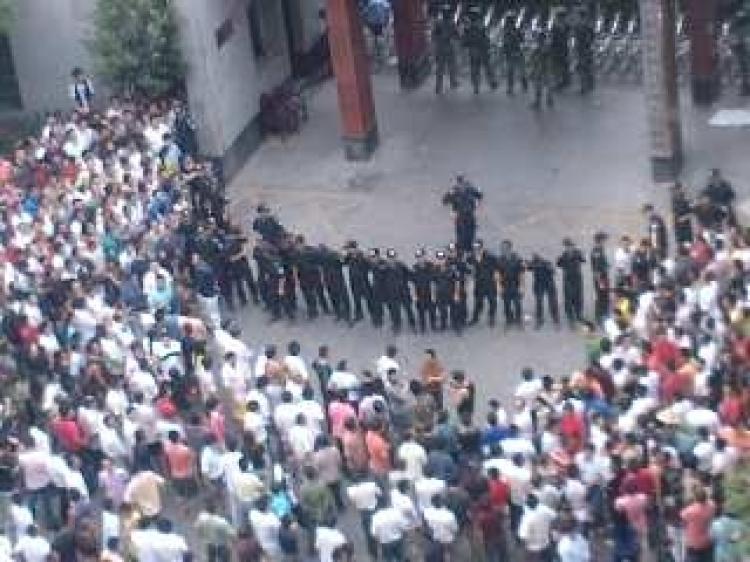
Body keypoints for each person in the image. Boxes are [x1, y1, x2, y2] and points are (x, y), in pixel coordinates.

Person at [442, 175, 483, 256]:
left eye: (463, 182)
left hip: (470, 216)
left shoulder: (470, 190)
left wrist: (477, 196)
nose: (461, 185)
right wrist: (450, 193)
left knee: (470, 236)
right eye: (460, 183)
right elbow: (445, 201)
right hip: (460, 217)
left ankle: (470, 253)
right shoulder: (454, 192)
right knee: (461, 237)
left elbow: (480, 196)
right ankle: (461, 253)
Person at [463, 7, 497, 94]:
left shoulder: (472, 24)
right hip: (478, 48)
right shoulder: (475, 24)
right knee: (483, 67)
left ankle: (480, 85)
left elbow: (484, 36)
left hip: (478, 48)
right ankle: (483, 84)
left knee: (480, 68)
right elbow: (467, 37)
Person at [469, 240, 499, 326]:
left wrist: (497, 281)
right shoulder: (471, 258)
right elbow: (469, 269)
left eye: (478, 248)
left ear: (482, 247)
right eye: (474, 248)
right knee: (478, 302)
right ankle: (475, 318)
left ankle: (491, 318)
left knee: (492, 302)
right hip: (479, 284)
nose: (476, 250)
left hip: (490, 284)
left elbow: (497, 269)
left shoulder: (491, 257)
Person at [557, 238, 585, 327]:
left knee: (578, 296)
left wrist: (579, 256)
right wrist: (559, 260)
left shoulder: (578, 253)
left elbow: (583, 260)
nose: (569, 248)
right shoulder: (563, 255)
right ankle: (570, 317)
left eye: (570, 246)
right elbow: (559, 265)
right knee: (568, 297)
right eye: (567, 246)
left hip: (577, 277)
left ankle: (578, 314)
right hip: (568, 278)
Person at [526, 253, 559, 328]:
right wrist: (527, 263)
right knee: (539, 302)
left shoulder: (547, 263)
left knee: (552, 302)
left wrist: (548, 267)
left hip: (549, 284)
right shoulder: (533, 264)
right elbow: (527, 267)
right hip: (539, 285)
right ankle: (540, 319)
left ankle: (555, 319)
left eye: (537, 258)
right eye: (535, 258)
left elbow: (554, 271)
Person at [497, 239, 524, 329]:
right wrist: (499, 286)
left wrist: (521, 286)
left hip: (515, 284)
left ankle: (518, 320)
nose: (503, 250)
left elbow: (521, 273)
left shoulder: (517, 258)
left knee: (517, 304)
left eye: (505, 248)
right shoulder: (500, 260)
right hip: (505, 284)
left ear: (510, 248)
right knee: (506, 304)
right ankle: (509, 320)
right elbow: (498, 273)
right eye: (502, 248)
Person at [433, 8, 460, 94]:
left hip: (441, 47)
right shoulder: (452, 23)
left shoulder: (438, 23)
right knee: (451, 66)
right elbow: (457, 35)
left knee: (440, 68)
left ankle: (439, 87)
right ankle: (453, 82)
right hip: (449, 47)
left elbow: (434, 35)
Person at [412, 248, 437, 332]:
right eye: (418, 257)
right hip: (420, 293)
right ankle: (423, 326)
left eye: (421, 257)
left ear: (425, 257)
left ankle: (433, 325)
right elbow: (413, 283)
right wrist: (414, 296)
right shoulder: (415, 268)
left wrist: (434, 295)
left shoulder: (431, 267)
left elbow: (434, 281)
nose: (420, 259)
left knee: (432, 311)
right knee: (421, 312)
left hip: (430, 293)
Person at [503, 11, 527, 95]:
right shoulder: (506, 31)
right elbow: (505, 44)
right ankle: (511, 87)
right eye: (509, 21)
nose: (510, 23)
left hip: (517, 51)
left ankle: (523, 83)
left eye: (511, 21)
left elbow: (522, 39)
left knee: (520, 69)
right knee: (512, 71)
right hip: (511, 53)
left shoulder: (515, 30)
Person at [529, 30, 554, 110]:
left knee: (539, 86)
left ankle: (539, 102)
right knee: (547, 85)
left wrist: (533, 67)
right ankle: (549, 100)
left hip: (542, 69)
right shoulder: (546, 47)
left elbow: (535, 59)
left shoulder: (541, 48)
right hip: (546, 68)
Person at [590, 231, 610, 325]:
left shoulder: (600, 249)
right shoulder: (596, 251)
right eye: (604, 240)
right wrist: (600, 282)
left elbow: (602, 264)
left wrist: (606, 265)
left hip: (603, 276)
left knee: (605, 295)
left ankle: (604, 314)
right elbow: (597, 268)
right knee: (601, 296)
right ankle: (599, 316)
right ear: (600, 240)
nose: (605, 242)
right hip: (600, 278)